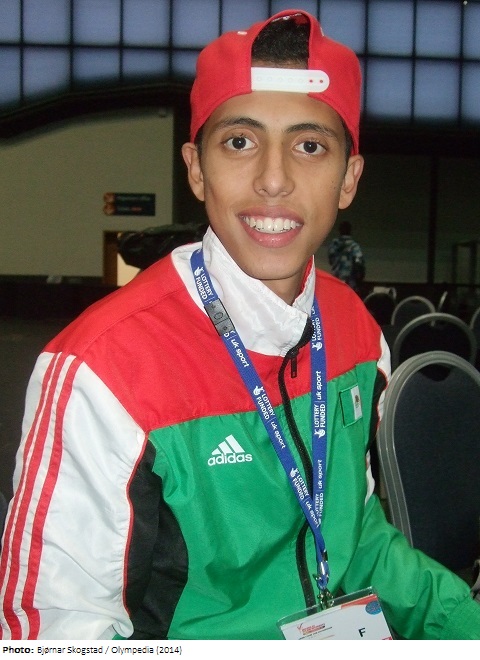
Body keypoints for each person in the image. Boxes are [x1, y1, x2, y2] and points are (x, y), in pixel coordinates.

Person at [0, 9, 479, 641]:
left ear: (349, 179)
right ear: (196, 168)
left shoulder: (357, 332)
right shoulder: (102, 369)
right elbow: (54, 637)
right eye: (240, 142)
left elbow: (357, 534)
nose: (274, 180)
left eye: (310, 146)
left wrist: (463, 624)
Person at [328, 220, 365, 292]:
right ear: (350, 231)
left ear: (340, 231)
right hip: (350, 281)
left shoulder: (334, 245)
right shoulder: (354, 246)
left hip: (336, 280)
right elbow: (359, 263)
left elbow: (331, 261)